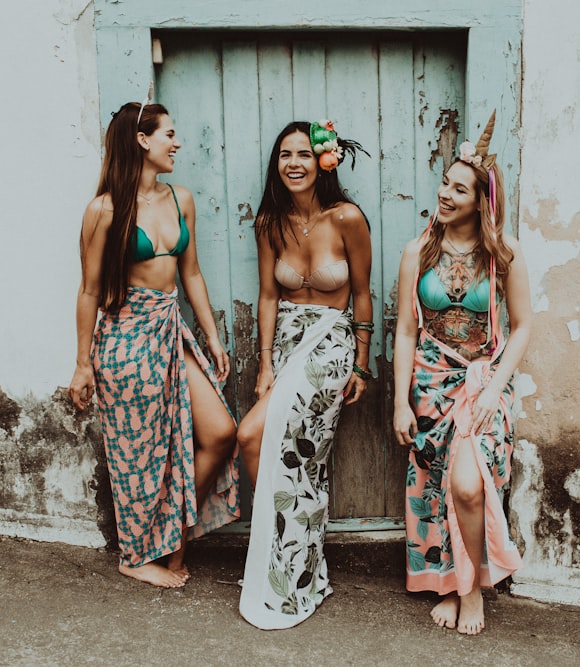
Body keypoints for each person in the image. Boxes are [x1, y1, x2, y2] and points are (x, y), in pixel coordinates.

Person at [68, 101, 240, 588]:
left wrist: (210, 333)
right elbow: (89, 291)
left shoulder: (180, 198)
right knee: (140, 458)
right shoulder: (103, 210)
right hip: (125, 340)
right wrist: (83, 365)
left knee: (220, 432)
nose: (177, 143)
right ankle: (137, 556)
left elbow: (191, 273)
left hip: (170, 329)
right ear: (142, 140)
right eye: (169, 134)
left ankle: (172, 543)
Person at [392, 110, 532, 636]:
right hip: (429, 384)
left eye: (459, 189)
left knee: (469, 485)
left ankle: (473, 593)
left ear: (480, 200)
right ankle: (451, 585)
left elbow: (522, 327)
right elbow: (406, 329)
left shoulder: (504, 254)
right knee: (435, 488)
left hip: (481, 385)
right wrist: (400, 401)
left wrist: (496, 389)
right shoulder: (417, 252)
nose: (445, 195)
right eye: (444, 184)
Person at [236, 120, 373, 629]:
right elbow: (269, 294)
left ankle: (295, 562)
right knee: (276, 454)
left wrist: (361, 361)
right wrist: (265, 362)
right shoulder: (270, 221)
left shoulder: (348, 219)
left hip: (332, 345)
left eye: (303, 154)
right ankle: (297, 560)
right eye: (284, 155)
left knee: (262, 439)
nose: (293, 163)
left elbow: (362, 292)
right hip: (288, 344)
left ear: (323, 161)